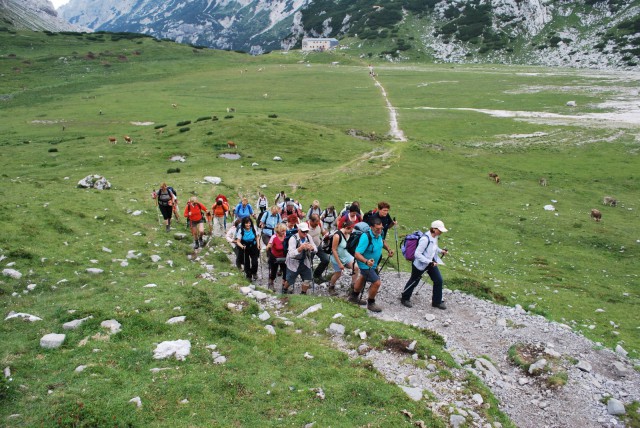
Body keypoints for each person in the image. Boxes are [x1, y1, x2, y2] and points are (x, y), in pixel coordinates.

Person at [400, 220, 449, 309]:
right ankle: (405, 298)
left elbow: (434, 247)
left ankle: (437, 302)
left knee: (438, 280)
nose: (441, 232)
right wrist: (429, 262)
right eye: (440, 230)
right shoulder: (425, 239)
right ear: (434, 229)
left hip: (430, 263)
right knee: (414, 280)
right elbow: (417, 254)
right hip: (420, 264)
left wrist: (441, 251)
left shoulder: (435, 237)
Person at [349, 218, 389, 312]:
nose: (379, 231)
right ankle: (371, 303)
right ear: (371, 227)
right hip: (365, 264)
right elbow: (357, 254)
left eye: (381, 228)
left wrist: (388, 249)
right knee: (376, 282)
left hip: (373, 264)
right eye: (377, 229)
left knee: (363, 277)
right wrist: (366, 261)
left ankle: (353, 297)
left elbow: (382, 242)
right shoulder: (365, 237)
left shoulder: (379, 234)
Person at [283, 222, 316, 295]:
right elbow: (291, 254)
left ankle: (303, 293)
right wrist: (300, 249)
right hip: (293, 263)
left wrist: (312, 248)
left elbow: (315, 248)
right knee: (290, 280)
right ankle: (284, 289)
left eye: (306, 231)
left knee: (307, 279)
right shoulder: (293, 239)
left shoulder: (308, 237)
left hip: (305, 261)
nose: (305, 233)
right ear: (299, 230)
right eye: (303, 231)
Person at [328, 221, 359, 296]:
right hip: (336, 257)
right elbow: (334, 249)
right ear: (346, 228)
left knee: (356, 267)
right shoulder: (337, 236)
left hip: (346, 255)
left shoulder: (348, 234)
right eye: (351, 230)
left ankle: (353, 285)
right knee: (338, 274)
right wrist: (340, 263)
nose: (351, 232)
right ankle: (331, 286)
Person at [305, 214, 329, 282]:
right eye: (315, 224)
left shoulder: (320, 223)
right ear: (311, 221)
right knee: (309, 263)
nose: (317, 225)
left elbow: (323, 232)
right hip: (309, 248)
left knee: (326, 260)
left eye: (318, 223)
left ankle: (317, 274)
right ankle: (308, 278)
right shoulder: (306, 226)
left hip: (318, 245)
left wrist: (328, 236)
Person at [235, 217, 260, 281]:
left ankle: (254, 272)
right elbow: (238, 241)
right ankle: (248, 275)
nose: (248, 225)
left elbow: (257, 237)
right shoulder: (241, 230)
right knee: (246, 262)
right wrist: (242, 246)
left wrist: (258, 245)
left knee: (255, 261)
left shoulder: (253, 228)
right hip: (245, 247)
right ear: (244, 224)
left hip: (253, 246)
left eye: (249, 223)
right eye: (246, 223)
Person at [266, 223, 288, 291]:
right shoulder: (274, 237)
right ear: (278, 231)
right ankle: (271, 283)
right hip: (274, 257)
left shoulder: (286, 236)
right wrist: (269, 252)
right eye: (282, 231)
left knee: (285, 271)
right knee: (273, 272)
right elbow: (268, 247)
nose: (284, 232)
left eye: (285, 231)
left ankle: (284, 285)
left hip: (284, 256)